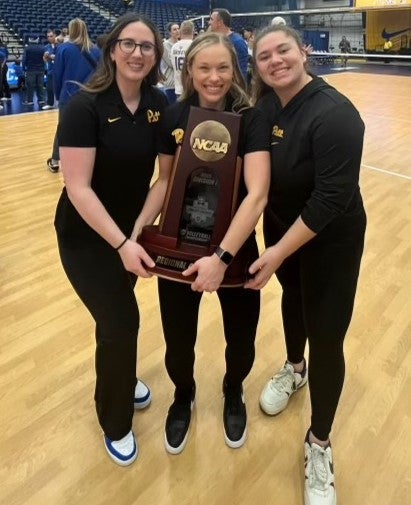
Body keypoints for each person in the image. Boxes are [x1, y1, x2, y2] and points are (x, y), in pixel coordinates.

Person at [133, 31, 271, 455]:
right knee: (178, 339)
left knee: (242, 337)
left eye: (223, 67)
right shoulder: (174, 117)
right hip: (179, 245)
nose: (214, 77)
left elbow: (257, 194)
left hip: (234, 250)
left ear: (235, 69)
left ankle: (234, 391)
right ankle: (183, 394)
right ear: (189, 70)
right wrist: (135, 232)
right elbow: (165, 181)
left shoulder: (252, 119)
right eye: (204, 68)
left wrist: (222, 256)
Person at [247, 24, 366, 505]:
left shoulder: (336, 114)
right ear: (256, 66)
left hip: (331, 240)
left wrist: (276, 252)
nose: (275, 61)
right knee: (292, 302)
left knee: (327, 334)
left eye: (283, 51)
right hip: (280, 232)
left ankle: (319, 444)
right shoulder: (262, 109)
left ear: (303, 52)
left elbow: (329, 199)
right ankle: (294, 369)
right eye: (264, 56)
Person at [54, 12, 168, 466]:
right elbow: (77, 186)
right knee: (122, 322)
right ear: (112, 48)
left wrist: (138, 230)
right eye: (129, 44)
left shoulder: (159, 104)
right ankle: (115, 420)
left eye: (147, 46)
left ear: (156, 55)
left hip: (131, 236)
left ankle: (120, 377)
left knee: (115, 324)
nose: (138, 53)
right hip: (87, 239)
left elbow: (164, 178)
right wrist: (121, 243)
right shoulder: (84, 106)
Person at [47, 18, 100, 172]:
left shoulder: (63, 48)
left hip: (68, 96)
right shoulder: (96, 50)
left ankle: (56, 160)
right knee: (91, 128)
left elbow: (57, 75)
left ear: (71, 30)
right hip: (90, 96)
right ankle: (90, 160)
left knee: (63, 128)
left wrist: (58, 95)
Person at [208, 9, 249, 84]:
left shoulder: (237, 42)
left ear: (220, 22)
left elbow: (241, 73)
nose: (209, 22)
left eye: (211, 19)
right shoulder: (214, 40)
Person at [170, 20, 194, 99]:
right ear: (193, 31)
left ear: (181, 31)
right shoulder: (195, 45)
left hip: (179, 88)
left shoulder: (174, 47)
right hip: (192, 89)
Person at [22, 36, 46, 106]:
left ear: (30, 40)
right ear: (38, 40)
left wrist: (24, 68)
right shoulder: (42, 48)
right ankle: (41, 100)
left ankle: (30, 101)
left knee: (30, 86)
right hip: (41, 69)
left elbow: (24, 59)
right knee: (40, 85)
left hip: (30, 69)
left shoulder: (27, 48)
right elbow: (45, 58)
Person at [160, 21, 180, 103]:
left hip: (181, 83)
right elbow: (171, 64)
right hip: (171, 83)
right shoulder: (165, 45)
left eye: (178, 28)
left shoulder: (180, 44)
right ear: (169, 32)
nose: (177, 31)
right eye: (174, 29)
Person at [42, 29, 57, 110]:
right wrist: (45, 57)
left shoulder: (60, 45)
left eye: (51, 36)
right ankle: (50, 103)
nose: (49, 38)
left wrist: (53, 56)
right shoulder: (46, 47)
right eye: (48, 37)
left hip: (60, 70)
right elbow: (45, 60)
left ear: (55, 36)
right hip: (51, 70)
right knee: (49, 87)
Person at [0, 36, 12, 102]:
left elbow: (5, 56)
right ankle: (8, 95)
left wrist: (2, 65)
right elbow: (6, 56)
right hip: (4, 66)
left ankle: (1, 96)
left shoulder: (3, 47)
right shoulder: (4, 46)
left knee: (1, 81)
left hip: (2, 65)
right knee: (4, 80)